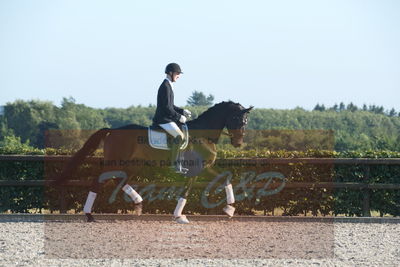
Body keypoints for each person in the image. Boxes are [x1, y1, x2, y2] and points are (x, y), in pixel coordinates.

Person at [152, 63, 191, 174]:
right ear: (170, 73)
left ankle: (179, 164)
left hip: (167, 118)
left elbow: (171, 106)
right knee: (179, 136)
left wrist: (182, 111)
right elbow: (166, 108)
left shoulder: (168, 85)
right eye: (177, 73)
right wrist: (179, 117)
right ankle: (174, 165)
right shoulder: (165, 86)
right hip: (162, 119)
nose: (179, 76)